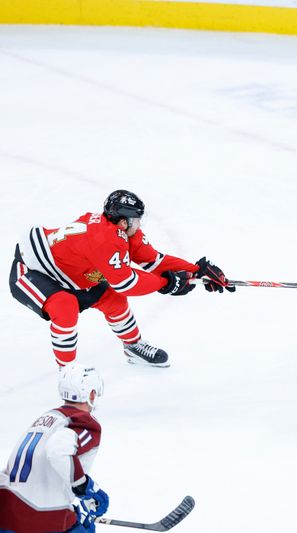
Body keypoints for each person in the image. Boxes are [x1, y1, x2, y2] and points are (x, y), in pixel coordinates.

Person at [9, 190, 234, 368]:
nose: (140, 225)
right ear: (123, 221)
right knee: (65, 307)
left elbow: (153, 261)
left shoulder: (123, 232)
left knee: (113, 300)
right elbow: (126, 283)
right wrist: (167, 283)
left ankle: (133, 346)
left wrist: (197, 270)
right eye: (137, 220)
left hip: (70, 272)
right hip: (31, 270)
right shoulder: (105, 239)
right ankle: (68, 373)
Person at [0, 363, 109, 533]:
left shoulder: (47, 418)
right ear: (92, 394)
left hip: (6, 514)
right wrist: (84, 487)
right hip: (38, 518)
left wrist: (69, 509)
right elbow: (58, 451)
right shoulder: (84, 422)